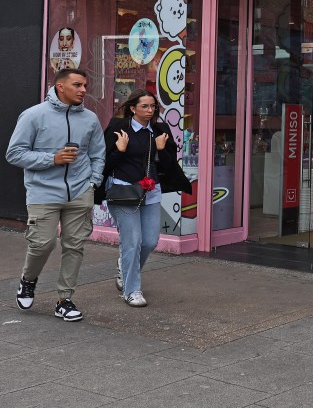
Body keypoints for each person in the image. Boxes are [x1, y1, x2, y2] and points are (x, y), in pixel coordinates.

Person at [6, 68, 105, 322]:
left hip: (80, 191)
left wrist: (93, 182)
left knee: (75, 246)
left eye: (85, 85)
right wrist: (53, 158)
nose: (84, 89)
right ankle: (28, 281)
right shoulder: (34, 116)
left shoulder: (90, 119)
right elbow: (14, 153)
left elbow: (97, 153)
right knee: (43, 243)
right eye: (78, 85)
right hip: (43, 192)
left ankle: (65, 299)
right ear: (60, 87)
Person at [96, 89, 191, 307]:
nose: (150, 111)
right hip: (123, 192)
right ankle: (132, 290)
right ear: (132, 108)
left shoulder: (159, 130)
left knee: (149, 241)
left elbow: (169, 165)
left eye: (153, 107)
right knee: (132, 242)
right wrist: (119, 151)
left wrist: (161, 149)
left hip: (151, 191)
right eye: (144, 106)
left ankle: (124, 266)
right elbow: (104, 163)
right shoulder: (119, 128)